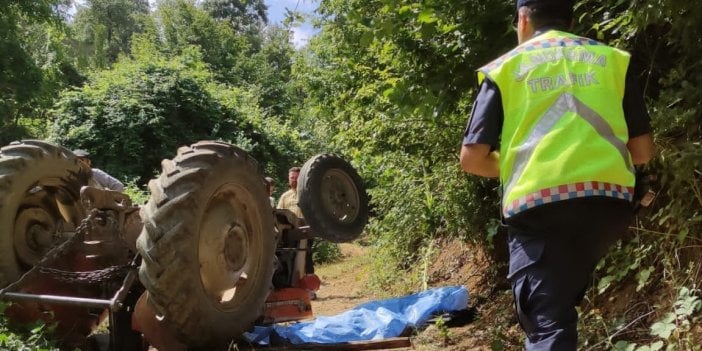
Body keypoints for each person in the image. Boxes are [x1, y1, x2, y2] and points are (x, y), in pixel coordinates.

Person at [459, 0, 654, 349]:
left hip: (539, 210)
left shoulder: (506, 68)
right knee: (561, 308)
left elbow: (472, 158)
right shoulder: (611, 60)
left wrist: (520, 164)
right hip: (608, 206)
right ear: (570, 19)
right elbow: (641, 152)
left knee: (548, 321)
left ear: (522, 18)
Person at [277, 166, 318, 298]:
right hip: (290, 233)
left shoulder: (308, 194)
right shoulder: (285, 196)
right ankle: (293, 287)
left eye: (296, 178)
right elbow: (279, 213)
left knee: (306, 258)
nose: (293, 180)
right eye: (292, 178)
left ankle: (311, 289)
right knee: (289, 259)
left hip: (306, 231)